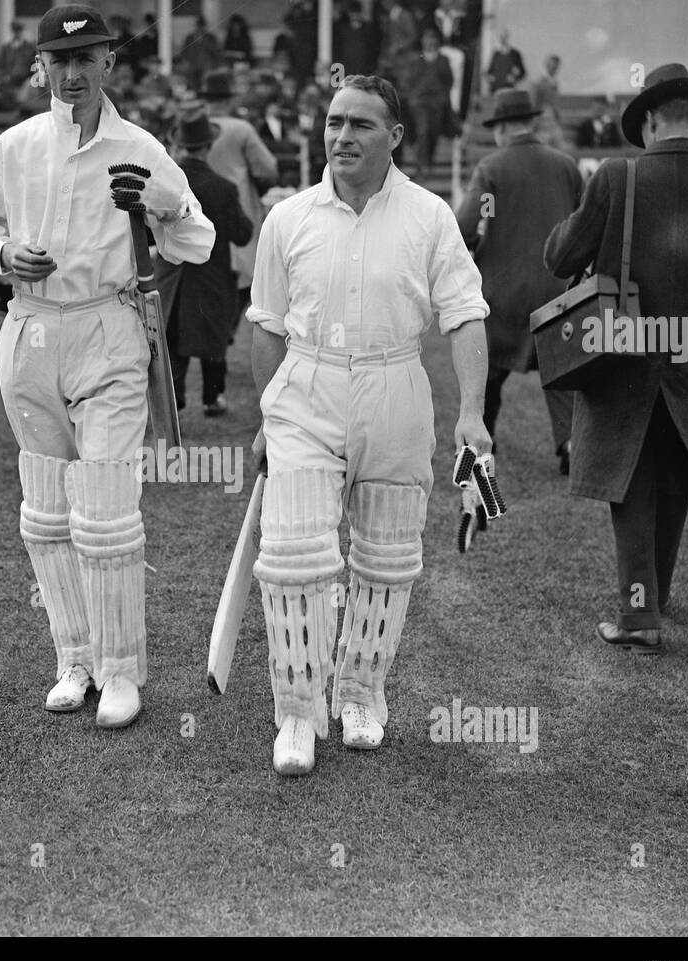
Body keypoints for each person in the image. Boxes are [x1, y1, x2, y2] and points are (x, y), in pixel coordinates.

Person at [0, 5, 214, 729]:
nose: (72, 74)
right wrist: (5, 258)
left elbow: (198, 241)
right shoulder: (14, 147)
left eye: (86, 59)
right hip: (32, 327)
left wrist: (161, 203)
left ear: (108, 64)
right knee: (46, 510)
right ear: (41, 67)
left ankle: (122, 670)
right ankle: (74, 657)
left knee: (105, 507)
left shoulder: (138, 147)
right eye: (58, 62)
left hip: (109, 326)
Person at [247, 74, 490, 775]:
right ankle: (296, 714)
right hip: (307, 385)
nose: (342, 135)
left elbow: (465, 313)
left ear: (396, 136)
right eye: (333, 122)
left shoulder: (429, 216)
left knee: (386, 560)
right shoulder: (288, 218)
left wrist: (471, 411)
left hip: (395, 387)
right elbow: (265, 326)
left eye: (359, 124)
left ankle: (360, 693)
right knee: (293, 559)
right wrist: (270, 412)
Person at [544, 63, 688, 653]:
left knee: (630, 477)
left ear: (650, 120)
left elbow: (562, 258)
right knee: (676, 467)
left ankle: (639, 618)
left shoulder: (617, 177)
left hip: (626, 345)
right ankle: (652, 595)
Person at [455, 89, 581, 471]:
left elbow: (463, 225)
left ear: (504, 127)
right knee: (562, 373)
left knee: (488, 374)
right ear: (532, 123)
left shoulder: (492, 168)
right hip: (556, 289)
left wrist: (479, 242)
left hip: (501, 291)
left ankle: (481, 442)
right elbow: (583, 224)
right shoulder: (566, 167)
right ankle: (572, 446)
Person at [154, 105, 253, 417]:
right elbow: (242, 233)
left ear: (179, 145)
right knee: (213, 338)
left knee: (171, 334)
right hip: (212, 273)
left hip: (171, 272)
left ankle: (175, 395)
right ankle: (212, 398)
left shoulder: (166, 184)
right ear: (209, 146)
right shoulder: (223, 188)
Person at [201, 68, 279, 393]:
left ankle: (217, 336)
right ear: (230, 99)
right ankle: (225, 331)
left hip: (199, 211)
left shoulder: (192, 126)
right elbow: (268, 169)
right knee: (244, 280)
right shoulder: (242, 128)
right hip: (237, 210)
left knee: (211, 278)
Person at [402, 27, 453, 178]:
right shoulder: (416, 60)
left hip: (437, 103)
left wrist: (443, 97)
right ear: (423, 42)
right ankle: (422, 166)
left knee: (434, 133)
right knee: (423, 131)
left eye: (433, 39)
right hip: (419, 103)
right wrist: (413, 97)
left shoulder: (443, 60)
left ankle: (428, 162)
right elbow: (408, 81)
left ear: (437, 42)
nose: (430, 42)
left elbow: (449, 81)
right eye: (427, 39)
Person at [529, 54, 564, 148]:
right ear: (546, 65)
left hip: (553, 120)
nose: (554, 68)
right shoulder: (538, 83)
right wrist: (535, 123)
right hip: (543, 122)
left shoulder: (554, 82)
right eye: (552, 65)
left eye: (556, 66)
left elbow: (555, 103)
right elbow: (534, 104)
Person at [485, 29, 525, 93]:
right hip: (495, 90)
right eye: (501, 37)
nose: (503, 39)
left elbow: (523, 72)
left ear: (508, 38)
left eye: (505, 37)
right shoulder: (496, 54)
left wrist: (515, 78)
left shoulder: (515, 54)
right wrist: (490, 78)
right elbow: (489, 72)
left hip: (509, 90)